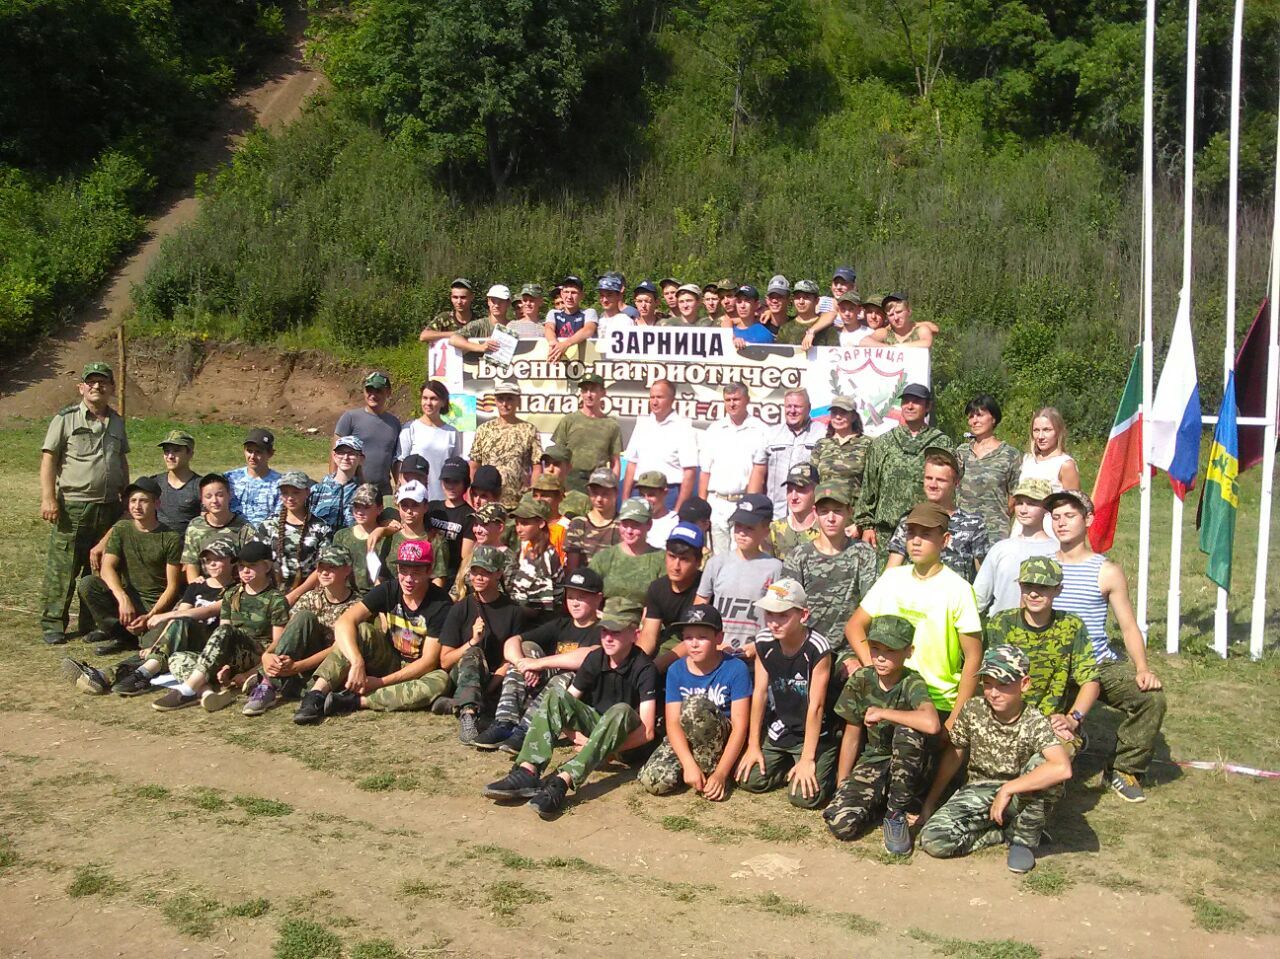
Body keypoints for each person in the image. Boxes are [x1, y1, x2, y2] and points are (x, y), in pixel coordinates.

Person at [481, 597, 658, 819]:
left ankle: (562, 780)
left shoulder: (644, 668)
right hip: (598, 731)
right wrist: (581, 738)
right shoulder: (596, 658)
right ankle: (528, 770)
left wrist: (600, 747)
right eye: (604, 631)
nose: (608, 638)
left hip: (626, 744)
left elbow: (647, 732)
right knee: (556, 696)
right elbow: (565, 706)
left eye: (617, 632)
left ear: (635, 635)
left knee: (620, 709)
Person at [1047, 490, 1166, 803]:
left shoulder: (1106, 571)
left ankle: (1124, 769)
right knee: (1048, 735)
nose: (1061, 523)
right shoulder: (1041, 567)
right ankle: (1075, 734)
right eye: (1056, 517)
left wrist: (1142, 669)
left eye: (1069, 516)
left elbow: (1128, 626)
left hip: (1099, 664)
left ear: (1088, 520)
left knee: (1150, 699)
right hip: (1053, 667)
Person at [918, 645, 1073, 874]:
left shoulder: (1034, 720)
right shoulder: (973, 709)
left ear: (1025, 684)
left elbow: (1062, 768)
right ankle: (1002, 833)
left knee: (1044, 766)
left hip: (1020, 794)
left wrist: (1008, 789)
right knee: (934, 840)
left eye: (1003, 685)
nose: (993, 692)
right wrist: (931, 801)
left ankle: (1023, 839)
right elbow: (954, 754)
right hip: (978, 791)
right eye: (987, 683)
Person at [847, 502, 983, 728]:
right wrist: (874, 667)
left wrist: (954, 719)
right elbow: (854, 626)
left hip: (936, 700)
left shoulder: (959, 589)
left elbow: (973, 657)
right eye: (911, 533)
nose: (916, 541)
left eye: (926, 534)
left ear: (945, 540)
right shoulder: (891, 579)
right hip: (888, 695)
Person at [293, 539, 453, 723]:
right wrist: (357, 661)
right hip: (390, 659)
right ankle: (315, 695)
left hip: (419, 670)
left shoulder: (441, 604)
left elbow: (428, 662)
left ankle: (355, 701)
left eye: (416, 573)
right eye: (404, 571)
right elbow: (345, 622)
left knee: (440, 681)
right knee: (361, 631)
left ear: (429, 571)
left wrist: (380, 683)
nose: (408, 579)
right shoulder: (390, 589)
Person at [823, 615, 941, 852]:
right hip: (875, 760)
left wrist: (884, 713)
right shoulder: (862, 679)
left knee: (909, 731)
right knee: (840, 823)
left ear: (909, 651)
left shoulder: (912, 682)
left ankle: (896, 812)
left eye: (890, 651)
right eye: (875, 648)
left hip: (909, 765)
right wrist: (842, 785)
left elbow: (931, 724)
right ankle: (879, 803)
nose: (880, 657)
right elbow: (852, 734)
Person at [40, 361, 129, 646]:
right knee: (64, 566)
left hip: (109, 507)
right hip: (74, 506)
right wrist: (48, 497)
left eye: (102, 382)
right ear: (82, 387)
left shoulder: (116, 421)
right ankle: (53, 623)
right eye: (91, 381)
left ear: (111, 388)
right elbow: (49, 458)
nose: (97, 386)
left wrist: (126, 497)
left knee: (100, 568)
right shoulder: (65, 418)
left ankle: (93, 623)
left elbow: (121, 460)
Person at [474, 566, 605, 753]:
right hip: (544, 690)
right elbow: (513, 641)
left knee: (568, 674)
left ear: (598, 598)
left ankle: (529, 729)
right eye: (571, 596)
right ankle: (504, 722)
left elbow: (590, 655)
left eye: (581, 597)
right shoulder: (561, 624)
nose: (574, 603)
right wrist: (524, 665)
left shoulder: (604, 631)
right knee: (525, 649)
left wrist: (539, 664)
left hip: (579, 699)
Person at [150, 541, 289, 712]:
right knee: (177, 658)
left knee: (224, 631)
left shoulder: (276, 599)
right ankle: (206, 692)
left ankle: (188, 689)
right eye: (241, 566)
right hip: (231, 657)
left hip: (256, 656)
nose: (244, 571)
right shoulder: (232, 594)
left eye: (251, 566)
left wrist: (250, 674)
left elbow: (277, 647)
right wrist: (224, 666)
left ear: (267, 566)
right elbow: (223, 636)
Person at [736, 578, 838, 809]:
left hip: (814, 732)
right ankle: (783, 765)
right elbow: (760, 693)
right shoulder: (763, 641)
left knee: (803, 797)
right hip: (782, 727)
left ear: (803, 615)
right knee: (748, 780)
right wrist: (753, 745)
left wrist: (807, 758)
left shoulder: (818, 648)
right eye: (769, 614)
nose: (773, 623)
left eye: (783, 615)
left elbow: (817, 706)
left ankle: (824, 764)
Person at [984, 558, 1100, 750]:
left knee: (1052, 762)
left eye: (1043, 587)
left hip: (1050, 721)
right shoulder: (1002, 623)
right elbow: (992, 679)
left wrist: (1073, 719)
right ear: (1020, 586)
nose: (1034, 593)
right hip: (1007, 716)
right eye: (1028, 585)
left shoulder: (1071, 626)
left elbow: (1090, 681)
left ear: (1058, 590)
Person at [638, 606, 752, 799]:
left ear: (718, 638)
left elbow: (740, 726)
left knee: (695, 705)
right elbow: (672, 722)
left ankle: (716, 772)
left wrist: (721, 773)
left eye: (702, 637)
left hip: (720, 741)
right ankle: (696, 769)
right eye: (688, 637)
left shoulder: (736, 668)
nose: (694, 644)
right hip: (687, 738)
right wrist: (688, 764)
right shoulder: (676, 670)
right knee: (654, 781)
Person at [104, 539, 237, 697]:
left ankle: (139, 676)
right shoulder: (196, 586)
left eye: (218, 559)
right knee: (153, 653)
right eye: (208, 560)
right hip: (184, 640)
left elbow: (207, 611)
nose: (212, 564)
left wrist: (167, 615)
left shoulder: (235, 589)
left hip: (209, 645)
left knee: (182, 621)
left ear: (232, 561)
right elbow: (177, 620)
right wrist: (157, 644)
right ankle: (106, 676)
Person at [242, 544, 361, 716]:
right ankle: (268, 683)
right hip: (299, 665)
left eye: (332, 567)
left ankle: (270, 681)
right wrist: (268, 654)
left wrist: (298, 667)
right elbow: (290, 632)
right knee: (303, 616)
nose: (325, 572)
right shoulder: (310, 597)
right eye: (321, 567)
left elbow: (338, 649)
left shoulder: (356, 605)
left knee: (341, 645)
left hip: (328, 672)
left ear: (347, 570)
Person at [76, 476, 182, 656]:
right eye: (133, 501)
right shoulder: (122, 529)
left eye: (143, 501)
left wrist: (151, 615)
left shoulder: (170, 537)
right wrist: (122, 598)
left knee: (151, 645)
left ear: (156, 504)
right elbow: (107, 567)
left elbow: (173, 586)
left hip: (156, 604)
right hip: (128, 601)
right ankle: (121, 635)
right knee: (88, 584)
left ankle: (139, 636)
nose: (137, 506)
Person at [781, 482, 877, 667]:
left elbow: (871, 607)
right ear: (815, 513)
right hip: (807, 648)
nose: (831, 518)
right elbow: (787, 608)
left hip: (848, 652)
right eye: (824, 511)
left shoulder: (863, 553)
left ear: (849, 511)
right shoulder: (800, 556)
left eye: (838, 511)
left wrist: (858, 655)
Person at [438, 545, 528, 743]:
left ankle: (461, 702)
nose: (478, 577)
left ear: (498, 574)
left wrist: (487, 688)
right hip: (464, 673)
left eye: (485, 572)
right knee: (474, 652)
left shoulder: (513, 611)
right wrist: (472, 641)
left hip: (496, 678)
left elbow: (509, 659)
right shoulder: (461, 609)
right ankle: (468, 714)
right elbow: (445, 661)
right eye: (474, 571)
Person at [855, 383, 952, 555]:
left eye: (916, 401)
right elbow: (869, 487)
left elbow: (950, 489)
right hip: (885, 535)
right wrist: (867, 526)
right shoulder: (883, 443)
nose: (910, 405)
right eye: (906, 401)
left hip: (926, 534)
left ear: (928, 406)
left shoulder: (941, 443)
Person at [884, 447, 989, 583]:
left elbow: (984, 580)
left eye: (940, 480)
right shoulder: (909, 521)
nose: (933, 484)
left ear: (956, 483)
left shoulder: (974, 526)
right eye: (929, 478)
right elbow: (890, 574)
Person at [696, 494, 782, 657]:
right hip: (718, 654)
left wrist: (761, 645)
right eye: (738, 526)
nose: (741, 533)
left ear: (765, 530)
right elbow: (700, 609)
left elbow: (780, 616)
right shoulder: (716, 563)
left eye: (749, 527)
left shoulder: (775, 568)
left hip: (758, 655)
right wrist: (711, 643)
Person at [698, 383, 768, 555]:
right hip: (716, 503)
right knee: (718, 558)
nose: (732, 404)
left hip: (743, 501)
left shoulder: (760, 430)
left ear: (747, 400)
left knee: (742, 556)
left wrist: (749, 505)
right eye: (728, 400)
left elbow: (759, 471)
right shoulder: (714, 430)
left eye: (736, 399)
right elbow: (705, 472)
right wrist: (702, 509)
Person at [974, 479, 1058, 615]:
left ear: (1047, 509)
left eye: (1031, 504)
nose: (1023, 510)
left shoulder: (1058, 550)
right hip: (1001, 630)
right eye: (1019, 503)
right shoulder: (1001, 549)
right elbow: (979, 597)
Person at [254, 471, 333, 604]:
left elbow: (323, 568)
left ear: (307, 492)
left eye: (296, 492)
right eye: (285, 493)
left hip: (307, 595)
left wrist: (295, 595)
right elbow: (256, 560)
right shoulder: (268, 525)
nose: (290, 498)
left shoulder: (321, 529)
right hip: (269, 593)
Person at [621, 379, 699, 510]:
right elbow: (631, 463)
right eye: (652, 397)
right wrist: (625, 499)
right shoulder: (642, 424)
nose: (654, 402)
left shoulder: (683, 428)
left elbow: (689, 472)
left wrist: (678, 510)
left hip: (668, 493)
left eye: (660, 397)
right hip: (639, 491)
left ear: (672, 399)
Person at [956, 394, 1022, 542]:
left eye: (979, 415)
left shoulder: (1010, 454)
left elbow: (1015, 495)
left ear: (993, 419)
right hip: (962, 530)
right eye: (971, 416)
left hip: (994, 532)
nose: (974, 420)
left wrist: (1000, 517)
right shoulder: (961, 452)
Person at [469, 379, 542, 509]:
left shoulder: (529, 430)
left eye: (510, 399)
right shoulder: (484, 430)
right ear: (495, 402)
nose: (505, 404)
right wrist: (472, 495)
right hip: (488, 503)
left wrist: (533, 496)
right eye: (501, 399)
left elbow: (537, 466)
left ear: (518, 402)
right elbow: (474, 466)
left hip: (519, 505)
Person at [753, 389, 826, 517]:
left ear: (808, 408)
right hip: (775, 515)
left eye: (797, 406)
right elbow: (758, 472)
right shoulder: (771, 435)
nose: (792, 411)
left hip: (809, 516)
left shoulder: (823, 434)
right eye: (788, 406)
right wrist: (753, 507)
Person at [640, 523, 706, 661]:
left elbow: (697, 638)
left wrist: (657, 666)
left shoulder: (706, 589)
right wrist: (636, 666)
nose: (676, 566)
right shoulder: (657, 588)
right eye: (671, 556)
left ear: (698, 561)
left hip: (697, 650)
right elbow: (648, 636)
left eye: (684, 559)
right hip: (666, 646)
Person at [366, 480, 450, 587]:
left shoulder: (436, 540)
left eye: (415, 505)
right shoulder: (389, 537)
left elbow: (438, 580)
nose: (409, 511)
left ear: (425, 507)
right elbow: (380, 575)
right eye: (404, 505)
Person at [551, 370, 622, 492]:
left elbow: (615, 462)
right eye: (585, 390)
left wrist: (612, 489)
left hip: (598, 484)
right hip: (569, 483)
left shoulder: (612, 425)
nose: (589, 395)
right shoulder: (568, 420)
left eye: (593, 390)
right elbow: (557, 456)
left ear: (603, 393)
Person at [334, 371, 401, 498]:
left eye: (378, 391)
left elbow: (394, 460)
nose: (373, 395)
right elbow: (335, 453)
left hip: (383, 491)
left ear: (388, 392)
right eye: (369, 390)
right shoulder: (350, 418)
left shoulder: (394, 424)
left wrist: (399, 486)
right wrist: (335, 485)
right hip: (352, 489)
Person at [179, 473, 255, 583]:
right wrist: (195, 586)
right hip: (205, 587)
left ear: (229, 495)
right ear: (202, 500)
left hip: (235, 587)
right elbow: (191, 563)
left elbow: (250, 566)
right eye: (208, 496)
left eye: (220, 495)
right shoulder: (195, 526)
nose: (214, 500)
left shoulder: (244, 528)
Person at [588, 499, 666, 606]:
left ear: (649, 525)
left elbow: (663, 601)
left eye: (635, 525)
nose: (629, 531)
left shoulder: (661, 559)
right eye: (624, 524)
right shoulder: (603, 558)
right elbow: (587, 594)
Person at [396, 380, 461, 501]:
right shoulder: (410, 428)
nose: (428, 403)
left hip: (443, 499)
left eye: (433, 398)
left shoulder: (452, 432)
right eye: (424, 398)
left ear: (443, 402)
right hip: (415, 500)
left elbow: (455, 469)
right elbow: (401, 464)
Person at [504, 498, 564, 619]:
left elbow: (539, 608)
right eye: (517, 523)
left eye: (525, 523)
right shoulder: (526, 550)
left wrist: (505, 612)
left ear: (541, 523)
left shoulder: (546, 557)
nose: (519, 529)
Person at [810, 395, 872, 509]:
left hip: (855, 516)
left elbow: (873, 486)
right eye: (834, 412)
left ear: (853, 416)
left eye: (843, 412)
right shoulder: (821, 445)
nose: (838, 417)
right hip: (826, 515)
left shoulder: (868, 444)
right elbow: (812, 482)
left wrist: (863, 521)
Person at [332, 483, 390, 596]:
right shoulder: (342, 536)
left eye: (366, 507)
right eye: (356, 506)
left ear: (379, 509)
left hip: (376, 596)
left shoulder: (386, 538)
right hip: (346, 597)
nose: (359, 512)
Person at [1019, 407, 1080, 506]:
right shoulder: (1028, 460)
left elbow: (1073, 505)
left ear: (1058, 431)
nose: (1040, 436)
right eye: (1036, 430)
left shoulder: (1065, 464)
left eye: (1047, 430)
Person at [563, 467, 622, 570]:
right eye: (595, 493)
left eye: (605, 494)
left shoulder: (623, 526)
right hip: (582, 583)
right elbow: (571, 569)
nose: (599, 499)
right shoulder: (578, 524)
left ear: (616, 493)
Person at [430, 458, 475, 586]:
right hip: (424, 572)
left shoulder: (469, 515)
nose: (450, 486)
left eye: (456, 481)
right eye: (446, 481)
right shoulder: (432, 507)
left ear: (465, 483)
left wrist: (457, 586)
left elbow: (465, 558)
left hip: (451, 578)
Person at [150, 429, 201, 536]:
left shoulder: (200, 486)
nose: (170, 456)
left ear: (190, 454)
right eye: (166, 451)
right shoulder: (154, 483)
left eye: (176, 451)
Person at [226, 428, 282, 526]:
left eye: (258, 452)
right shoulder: (230, 478)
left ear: (270, 454)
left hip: (264, 537)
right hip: (232, 536)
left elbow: (278, 519)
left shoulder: (280, 483)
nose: (252, 456)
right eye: (249, 451)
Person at [768, 463, 820, 563]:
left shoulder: (826, 529)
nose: (794, 497)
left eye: (801, 489)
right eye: (789, 490)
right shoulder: (774, 530)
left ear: (816, 490)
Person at [309, 435, 363, 531]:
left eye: (351, 453)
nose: (345, 457)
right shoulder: (317, 490)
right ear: (334, 456)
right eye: (341, 452)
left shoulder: (365, 492)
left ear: (361, 459)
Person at [544, 275, 598, 362]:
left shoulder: (589, 312)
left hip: (584, 362)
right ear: (561, 294)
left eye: (573, 292)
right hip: (559, 361)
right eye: (566, 292)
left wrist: (566, 344)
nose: (569, 296)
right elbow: (548, 328)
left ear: (582, 295)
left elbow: (589, 330)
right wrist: (552, 342)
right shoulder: (553, 313)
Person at [447, 284, 514, 354]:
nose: (496, 305)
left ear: (508, 303)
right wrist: (480, 347)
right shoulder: (478, 325)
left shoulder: (514, 327)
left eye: (501, 301)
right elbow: (453, 339)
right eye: (493, 301)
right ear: (488, 302)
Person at [776, 280, 836, 346]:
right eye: (798, 297)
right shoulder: (785, 329)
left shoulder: (827, 327)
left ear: (817, 301)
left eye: (806, 297)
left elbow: (834, 353)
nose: (801, 302)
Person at [864, 293, 934, 348]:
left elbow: (927, 343)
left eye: (899, 312)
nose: (896, 317)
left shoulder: (921, 330)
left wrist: (899, 347)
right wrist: (890, 348)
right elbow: (864, 341)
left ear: (909, 311)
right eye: (891, 315)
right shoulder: (884, 332)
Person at [538, 445, 591, 518]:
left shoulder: (581, 501)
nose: (550, 469)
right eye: (547, 463)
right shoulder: (531, 498)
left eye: (556, 464)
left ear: (569, 467)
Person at [419, 278, 477, 343]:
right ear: (451, 298)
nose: (459, 301)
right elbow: (424, 336)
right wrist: (456, 334)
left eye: (463, 297)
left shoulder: (479, 321)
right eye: (455, 297)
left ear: (472, 297)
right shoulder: (444, 318)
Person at [634, 471, 679, 548]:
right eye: (642, 495)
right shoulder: (632, 520)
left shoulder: (675, 523)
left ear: (665, 493)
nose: (646, 500)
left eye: (651, 495)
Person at [594, 274, 634, 341]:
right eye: (602, 295)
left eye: (609, 295)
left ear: (619, 296)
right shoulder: (598, 321)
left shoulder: (625, 321)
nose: (605, 300)